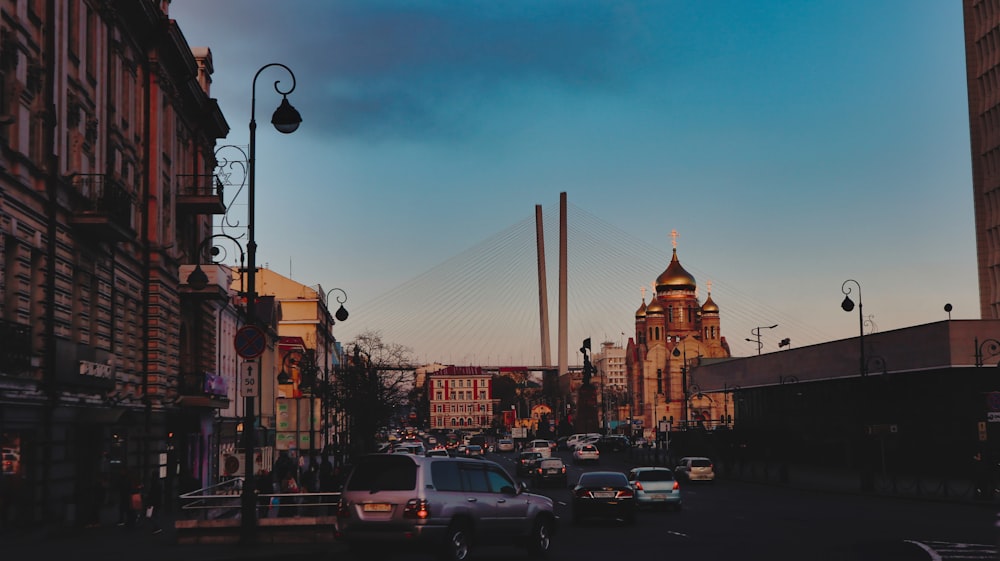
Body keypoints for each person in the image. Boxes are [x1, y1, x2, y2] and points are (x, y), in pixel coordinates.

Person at [144, 470, 163, 534]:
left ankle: (157, 527)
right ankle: (157, 527)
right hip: (157, 502)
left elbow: (152, 494)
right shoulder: (159, 484)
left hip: (153, 502)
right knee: (155, 515)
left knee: (149, 515)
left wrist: (149, 501)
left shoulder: (154, 484)